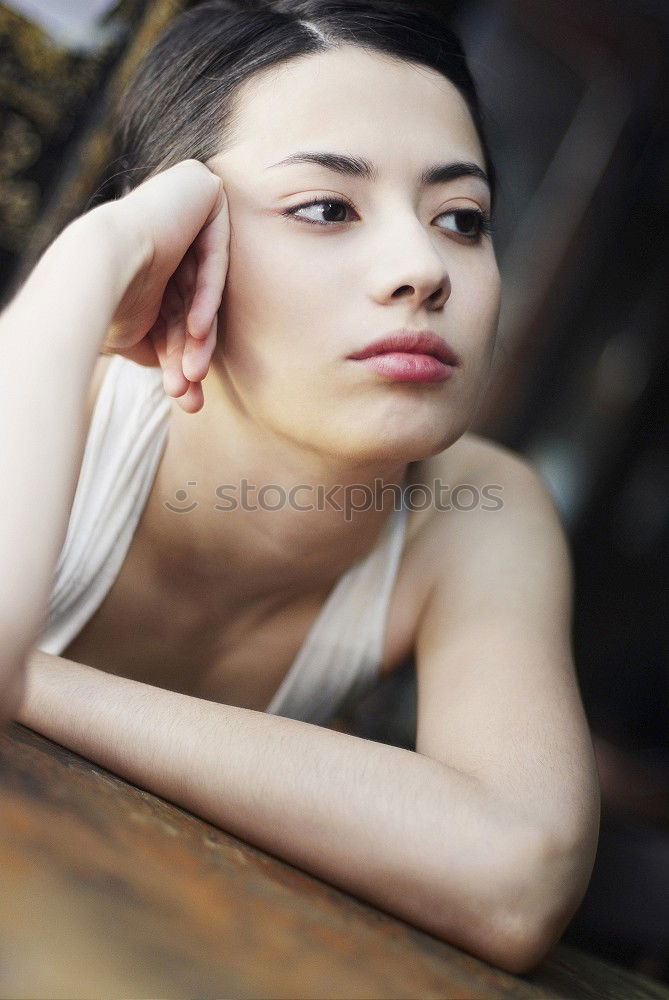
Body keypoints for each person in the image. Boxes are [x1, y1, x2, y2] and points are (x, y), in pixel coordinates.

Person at [0, 0, 600, 973]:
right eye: (326, 207)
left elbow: (517, 876)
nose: (422, 270)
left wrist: (39, 686)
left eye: (463, 219)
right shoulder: (54, 391)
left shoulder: (481, 512)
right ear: (187, 242)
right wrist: (89, 262)